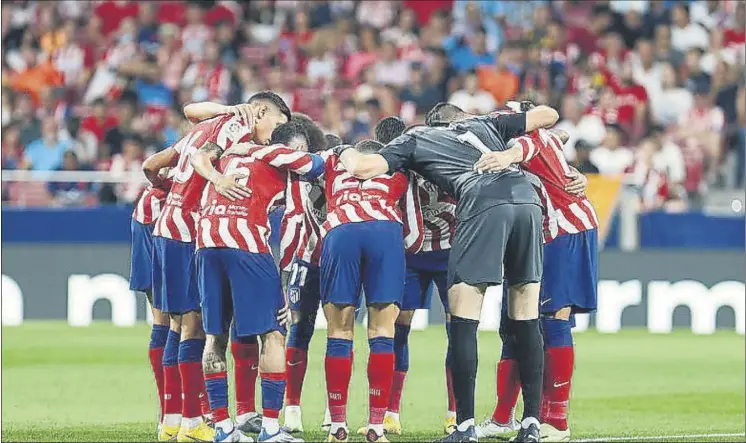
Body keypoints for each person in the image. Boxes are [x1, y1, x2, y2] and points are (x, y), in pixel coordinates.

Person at [337, 102, 560, 443]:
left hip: (482, 203)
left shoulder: (416, 138)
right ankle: (531, 422)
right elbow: (549, 115)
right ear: (460, 118)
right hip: (527, 202)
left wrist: (345, 152)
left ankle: (465, 427)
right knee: (525, 314)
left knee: (463, 319)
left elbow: (365, 169)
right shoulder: (489, 122)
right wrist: (512, 153)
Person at [142, 91, 291, 442]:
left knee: (177, 324)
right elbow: (201, 160)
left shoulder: (207, 124)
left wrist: (166, 191)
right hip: (189, 229)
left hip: (170, 225)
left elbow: (154, 162)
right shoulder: (236, 130)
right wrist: (217, 180)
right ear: (260, 111)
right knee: (194, 326)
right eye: (278, 123)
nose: (277, 133)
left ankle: (175, 419)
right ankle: (193, 422)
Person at [192, 120, 323, 443]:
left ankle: (223, 428)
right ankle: (270, 428)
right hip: (246, 244)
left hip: (205, 244)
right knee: (274, 333)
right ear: (295, 147)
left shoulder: (228, 156)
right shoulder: (283, 160)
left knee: (215, 336)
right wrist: (287, 280)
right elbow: (294, 220)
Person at [473, 105, 597, 443]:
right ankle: (503, 418)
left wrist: (504, 158)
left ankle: (556, 421)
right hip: (543, 234)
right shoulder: (546, 138)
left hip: (566, 231)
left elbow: (526, 147)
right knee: (518, 322)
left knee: (552, 317)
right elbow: (559, 136)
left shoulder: (529, 139)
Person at [369, 116, 459, 436]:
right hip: (411, 255)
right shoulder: (400, 161)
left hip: (450, 253)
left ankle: (455, 413)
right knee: (397, 330)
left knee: (457, 332)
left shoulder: (451, 158)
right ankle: (391, 411)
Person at [322, 139, 411, 443]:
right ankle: (376, 426)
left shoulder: (335, 171)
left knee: (339, 331)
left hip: (341, 229)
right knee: (382, 330)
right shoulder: (397, 174)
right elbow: (415, 224)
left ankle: (337, 427)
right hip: (385, 230)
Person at [278, 114, 334, 434]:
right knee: (300, 333)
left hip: (334, 261)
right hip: (306, 260)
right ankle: (294, 410)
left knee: (336, 334)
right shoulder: (291, 178)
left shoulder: (326, 167)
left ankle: (331, 410)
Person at [128, 170, 173, 439]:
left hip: (149, 228)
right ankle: (174, 411)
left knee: (167, 324)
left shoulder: (154, 191)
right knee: (185, 325)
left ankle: (169, 412)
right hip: (159, 234)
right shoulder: (165, 193)